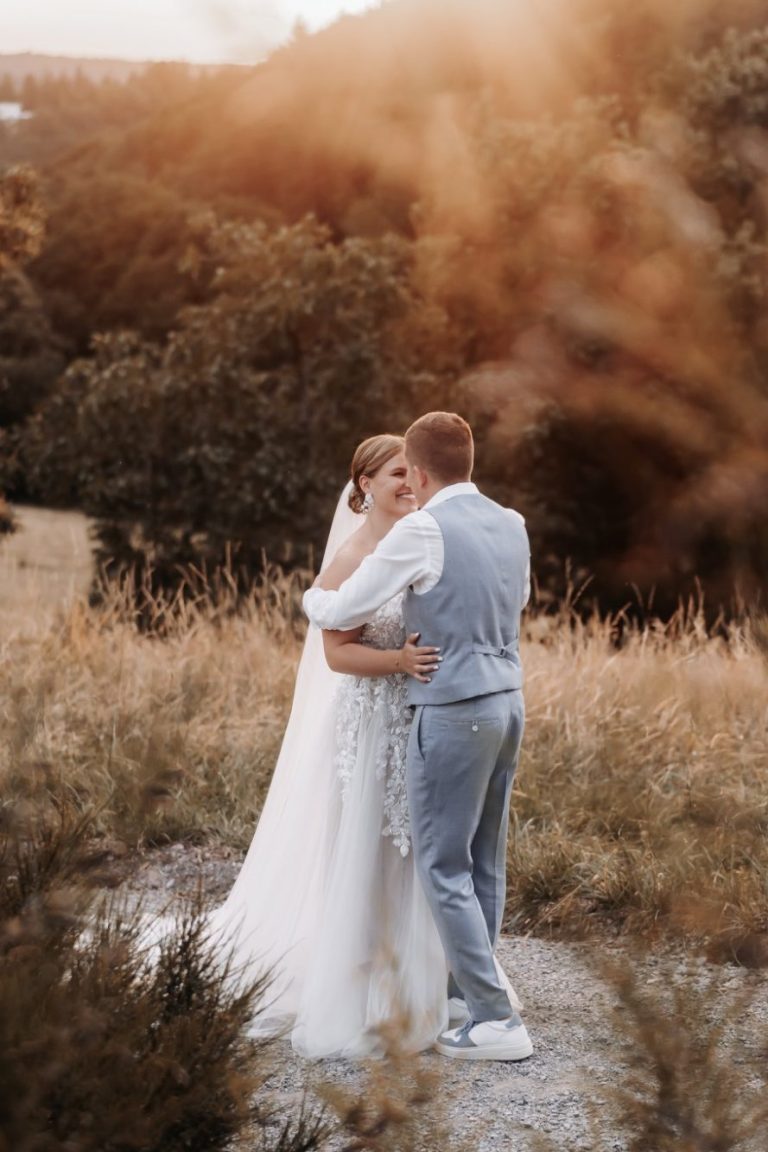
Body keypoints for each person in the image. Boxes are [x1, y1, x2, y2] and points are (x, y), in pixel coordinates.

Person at [208, 434, 518, 1058]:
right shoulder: (355, 554)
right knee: (382, 852)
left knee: (430, 856)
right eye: (396, 473)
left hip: (431, 714)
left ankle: (441, 984)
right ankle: (379, 988)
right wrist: (398, 659)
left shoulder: (432, 537)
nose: (409, 482)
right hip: (377, 722)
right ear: (364, 486)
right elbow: (336, 649)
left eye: (413, 471)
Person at [304, 412, 533, 1062]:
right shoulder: (512, 524)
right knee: (485, 860)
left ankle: (493, 1020)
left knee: (440, 862)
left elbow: (346, 608)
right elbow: (511, 601)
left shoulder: (426, 530)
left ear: (423, 470)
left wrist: (310, 603)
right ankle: (465, 994)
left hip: (454, 707)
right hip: (507, 702)